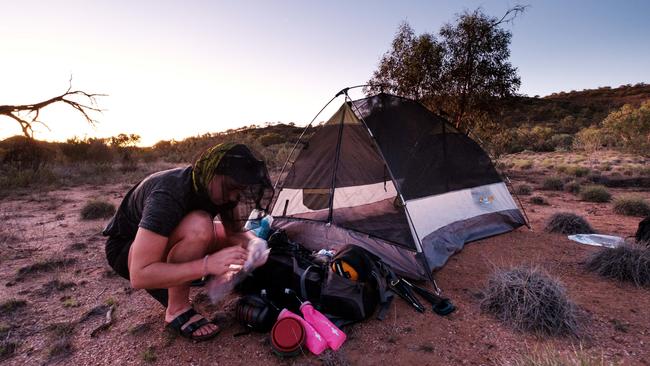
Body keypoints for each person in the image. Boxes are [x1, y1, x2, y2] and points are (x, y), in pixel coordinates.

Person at [103, 142, 273, 341]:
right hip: (127, 251)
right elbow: (139, 276)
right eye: (231, 187)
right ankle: (176, 309)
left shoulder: (216, 190)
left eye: (241, 189)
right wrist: (207, 265)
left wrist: (254, 243)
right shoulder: (169, 194)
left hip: (164, 238)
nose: (235, 195)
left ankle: (173, 277)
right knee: (200, 225)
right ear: (212, 174)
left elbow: (234, 232)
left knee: (214, 229)